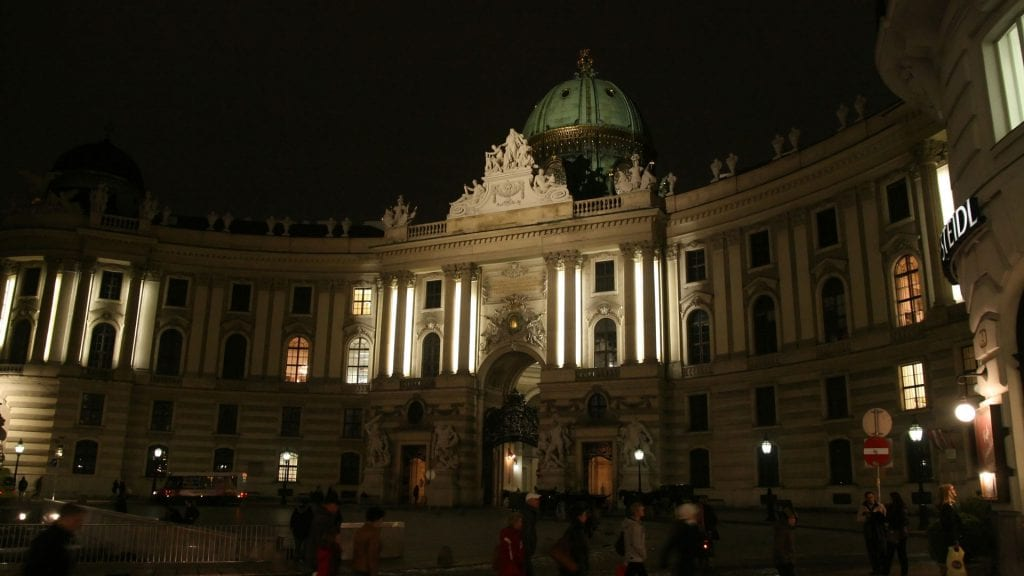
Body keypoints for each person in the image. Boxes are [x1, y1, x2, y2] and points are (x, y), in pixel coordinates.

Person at [23, 502, 87, 575]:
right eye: (77, 520)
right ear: (67, 518)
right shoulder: (51, 540)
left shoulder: (53, 537)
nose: (80, 525)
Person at [659, 503, 702, 576]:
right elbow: (671, 544)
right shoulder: (684, 528)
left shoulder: (691, 526)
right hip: (684, 562)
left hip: (688, 561)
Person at [306, 490, 341, 573]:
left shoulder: (323, 516)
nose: (337, 509)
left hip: (321, 557)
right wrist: (335, 540)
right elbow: (321, 540)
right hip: (322, 558)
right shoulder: (324, 519)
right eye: (336, 506)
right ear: (331, 505)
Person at [857, 490, 888, 575]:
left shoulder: (880, 506)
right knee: (872, 551)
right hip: (869, 531)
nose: (870, 499)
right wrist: (866, 518)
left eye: (871, 497)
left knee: (882, 549)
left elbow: (885, 516)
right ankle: (875, 568)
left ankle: (883, 568)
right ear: (866, 498)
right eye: (868, 498)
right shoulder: (863, 507)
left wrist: (878, 516)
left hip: (879, 530)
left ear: (874, 497)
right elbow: (859, 518)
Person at [351, 506, 386, 576]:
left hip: (357, 568)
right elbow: (372, 556)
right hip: (366, 570)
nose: (382, 522)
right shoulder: (374, 534)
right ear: (377, 519)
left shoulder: (360, 531)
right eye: (382, 519)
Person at [937, 483, 963, 576]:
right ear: (948, 492)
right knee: (953, 562)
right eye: (952, 489)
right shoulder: (947, 507)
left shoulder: (951, 505)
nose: (954, 491)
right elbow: (950, 524)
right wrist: (955, 539)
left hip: (952, 537)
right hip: (950, 539)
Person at [558, 504, 590, 576]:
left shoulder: (573, 529)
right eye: (584, 515)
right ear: (579, 517)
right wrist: (582, 571)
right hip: (575, 570)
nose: (586, 517)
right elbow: (579, 555)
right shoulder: (577, 531)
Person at [884, 492, 910, 576]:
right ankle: (904, 572)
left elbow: (890, 518)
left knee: (890, 553)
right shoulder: (901, 506)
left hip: (895, 532)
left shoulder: (895, 507)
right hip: (901, 532)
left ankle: (887, 571)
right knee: (901, 554)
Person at [621, 501, 648, 576]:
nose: (643, 511)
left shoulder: (629, 524)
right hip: (636, 557)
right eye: (642, 510)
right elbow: (636, 543)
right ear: (636, 512)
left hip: (631, 556)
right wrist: (643, 554)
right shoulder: (635, 526)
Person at [495, 511, 525, 576]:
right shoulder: (508, 534)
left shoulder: (518, 534)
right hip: (510, 567)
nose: (521, 524)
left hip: (516, 565)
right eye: (520, 522)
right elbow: (510, 552)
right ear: (514, 522)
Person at [519, 492, 541, 576]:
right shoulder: (527, 514)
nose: (538, 501)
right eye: (535, 499)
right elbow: (526, 532)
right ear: (529, 501)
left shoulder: (531, 513)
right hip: (525, 548)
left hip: (527, 548)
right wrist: (528, 547)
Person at [773, 504, 798, 576]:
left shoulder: (788, 529)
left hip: (787, 561)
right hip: (784, 563)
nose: (793, 520)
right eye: (791, 518)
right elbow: (779, 547)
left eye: (794, 518)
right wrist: (787, 560)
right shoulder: (783, 530)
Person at [289, 499, 313, 564]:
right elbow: (311, 521)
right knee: (305, 547)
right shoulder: (309, 511)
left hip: (297, 531)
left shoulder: (296, 511)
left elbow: (292, 520)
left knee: (297, 547)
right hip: (306, 532)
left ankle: (296, 559)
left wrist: (292, 528)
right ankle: (303, 559)